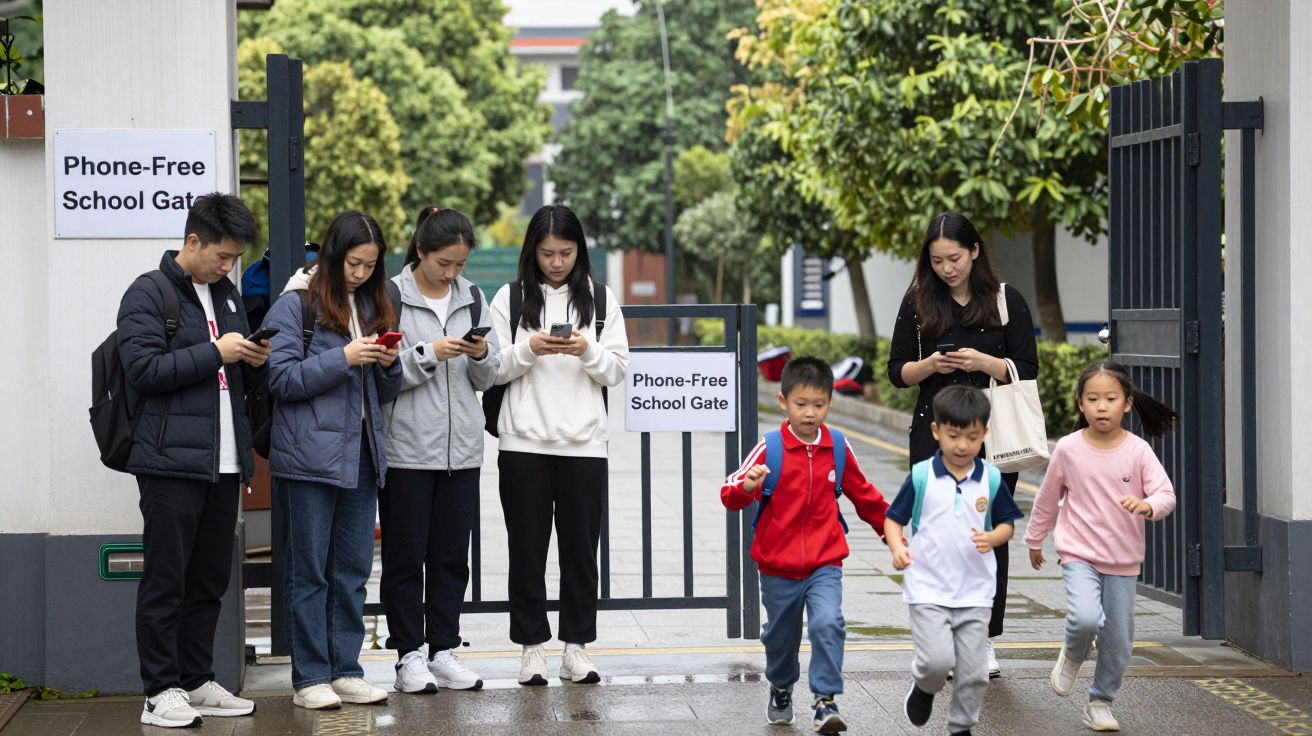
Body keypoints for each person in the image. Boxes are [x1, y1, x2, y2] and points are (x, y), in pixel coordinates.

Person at [116, 192, 269, 728]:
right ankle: (159, 691)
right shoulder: (149, 292)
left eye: (234, 259)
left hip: (223, 462)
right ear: (192, 241)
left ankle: (197, 679)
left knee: (208, 580)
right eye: (222, 256)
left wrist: (251, 356)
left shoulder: (226, 295)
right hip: (168, 462)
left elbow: (233, 376)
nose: (228, 267)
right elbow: (143, 371)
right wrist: (217, 353)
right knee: (166, 579)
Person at [885, 211, 1039, 675]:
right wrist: (931, 365)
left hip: (991, 436)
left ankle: (982, 640)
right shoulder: (917, 302)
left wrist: (984, 360)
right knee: (935, 534)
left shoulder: (1005, 299)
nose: (947, 268)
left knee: (988, 533)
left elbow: (1027, 367)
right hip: (934, 432)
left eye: (954, 258)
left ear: (974, 251)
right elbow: (897, 372)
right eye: (936, 261)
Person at [263, 211, 402, 710]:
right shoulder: (295, 304)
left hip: (362, 452)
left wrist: (388, 362)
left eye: (370, 265)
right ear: (332, 253)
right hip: (307, 458)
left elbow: (386, 390)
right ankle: (309, 677)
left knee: (352, 570)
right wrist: (343, 357)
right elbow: (280, 380)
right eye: (353, 262)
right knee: (310, 571)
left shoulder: (373, 303)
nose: (361, 273)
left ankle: (346, 668)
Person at [489, 204, 629, 686]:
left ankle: (576, 646)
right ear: (533, 251)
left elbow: (618, 369)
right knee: (527, 550)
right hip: (522, 442)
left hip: (585, 444)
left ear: (579, 251)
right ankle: (532, 648)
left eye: (565, 253)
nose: (556, 262)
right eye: (547, 253)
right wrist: (531, 349)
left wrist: (586, 350)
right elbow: (493, 369)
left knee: (580, 552)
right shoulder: (509, 299)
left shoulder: (601, 298)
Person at [721, 356, 890, 734]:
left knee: (829, 622)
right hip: (777, 566)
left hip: (824, 562)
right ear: (783, 402)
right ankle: (781, 687)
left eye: (819, 405)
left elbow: (866, 497)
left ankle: (825, 700)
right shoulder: (769, 448)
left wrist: (893, 533)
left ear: (830, 402)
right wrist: (748, 485)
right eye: (801, 404)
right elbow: (729, 493)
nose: (810, 413)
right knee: (781, 637)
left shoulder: (839, 447)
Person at [381, 206, 499, 693]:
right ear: (421, 252)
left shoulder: (472, 297)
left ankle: (443, 649)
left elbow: (487, 377)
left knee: (452, 557)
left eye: (459, 264)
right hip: (407, 448)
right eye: (443, 264)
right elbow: (381, 375)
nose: (452, 274)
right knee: (406, 559)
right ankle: (408, 654)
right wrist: (428, 354)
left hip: (462, 451)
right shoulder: (389, 295)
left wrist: (479, 353)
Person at [1025, 362, 1177, 732]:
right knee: (1085, 618)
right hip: (1078, 552)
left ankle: (1100, 701)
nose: (1102, 406)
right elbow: (1047, 498)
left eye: (1110, 399)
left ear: (1127, 404)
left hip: (1123, 560)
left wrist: (1147, 506)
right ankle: (1073, 654)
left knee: (1119, 640)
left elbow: (1166, 494)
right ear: (1081, 404)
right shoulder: (1068, 449)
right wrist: (1034, 538)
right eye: (1093, 399)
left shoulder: (1138, 451)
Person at [886, 385, 1024, 736]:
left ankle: (961, 726)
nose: (962, 445)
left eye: (973, 436)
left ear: (985, 435)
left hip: (976, 591)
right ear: (936, 432)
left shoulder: (991, 479)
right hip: (928, 588)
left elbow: (1007, 524)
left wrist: (994, 537)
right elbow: (893, 518)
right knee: (937, 662)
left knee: (976, 672)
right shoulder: (921, 476)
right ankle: (924, 686)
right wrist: (898, 547)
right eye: (954, 435)